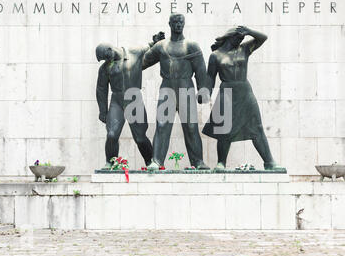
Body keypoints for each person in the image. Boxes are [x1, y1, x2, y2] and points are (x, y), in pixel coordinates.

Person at [202, 26, 285, 171]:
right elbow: (210, 77)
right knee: (224, 130)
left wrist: (249, 31)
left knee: (257, 128)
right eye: (238, 37)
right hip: (227, 92)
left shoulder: (244, 49)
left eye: (242, 38)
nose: (240, 40)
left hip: (245, 92)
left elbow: (263, 38)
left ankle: (269, 162)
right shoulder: (215, 56)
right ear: (229, 36)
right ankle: (221, 163)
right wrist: (205, 92)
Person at [143, 13, 210, 170]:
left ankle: (198, 162)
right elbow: (143, 63)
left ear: (184, 24)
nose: (178, 24)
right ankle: (157, 161)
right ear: (170, 24)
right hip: (167, 88)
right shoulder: (161, 46)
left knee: (191, 126)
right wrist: (150, 45)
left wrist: (203, 90)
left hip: (186, 87)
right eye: (175, 22)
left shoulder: (191, 45)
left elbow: (200, 68)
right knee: (162, 125)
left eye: (181, 22)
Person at [96, 32, 164, 168]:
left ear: (110, 49)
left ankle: (151, 162)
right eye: (103, 59)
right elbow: (101, 90)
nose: (105, 60)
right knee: (111, 134)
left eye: (105, 57)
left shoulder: (134, 52)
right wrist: (103, 111)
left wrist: (156, 42)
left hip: (134, 98)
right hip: (117, 100)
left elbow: (150, 48)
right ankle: (111, 163)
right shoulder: (104, 68)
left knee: (140, 137)